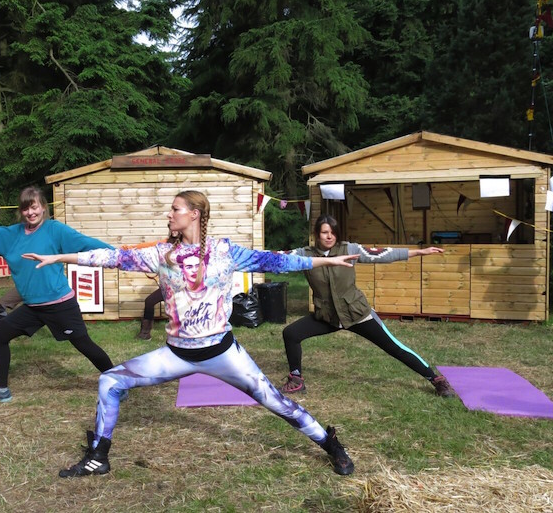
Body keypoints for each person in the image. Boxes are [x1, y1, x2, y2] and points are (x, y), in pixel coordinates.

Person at [23, 190, 361, 477]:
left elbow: (275, 261)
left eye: (175, 209)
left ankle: (330, 443)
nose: (169, 214)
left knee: (275, 401)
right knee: (110, 381)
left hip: (223, 354)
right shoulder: (161, 255)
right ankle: (98, 457)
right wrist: (58, 257)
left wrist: (327, 262)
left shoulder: (225, 252)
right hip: (176, 355)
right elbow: (111, 257)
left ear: (194, 215)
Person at [0, 186, 116, 403]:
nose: (30, 213)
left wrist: (116, 253)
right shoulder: (13, 235)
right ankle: (0, 390)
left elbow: (85, 243)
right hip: (33, 307)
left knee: (83, 344)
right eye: (26, 209)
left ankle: (117, 383)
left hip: (59, 304)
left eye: (34, 207)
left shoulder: (54, 230)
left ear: (43, 207)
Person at [280, 214, 455, 398]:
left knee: (393, 347)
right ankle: (296, 380)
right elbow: (275, 258)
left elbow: (381, 254)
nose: (329, 236)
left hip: (357, 314)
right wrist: (248, 257)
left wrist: (418, 252)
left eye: (333, 232)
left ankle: (436, 380)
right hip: (327, 316)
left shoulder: (349, 249)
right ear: (317, 234)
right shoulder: (304, 255)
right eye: (325, 232)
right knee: (291, 333)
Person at [135, 228, 179, 340]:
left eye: (176, 229)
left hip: (182, 287)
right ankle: (145, 334)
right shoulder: (164, 244)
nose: (173, 230)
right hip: (167, 286)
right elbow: (146, 247)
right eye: (171, 228)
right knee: (149, 301)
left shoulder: (186, 244)